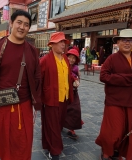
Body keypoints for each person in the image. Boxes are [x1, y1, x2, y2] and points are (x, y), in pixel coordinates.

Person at [0, 10, 41, 160]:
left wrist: (37, 101)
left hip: (23, 103)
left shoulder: (32, 51)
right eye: (19, 22)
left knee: (22, 142)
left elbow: (37, 77)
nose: (22, 27)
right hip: (0, 102)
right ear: (11, 23)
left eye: (26, 25)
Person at [95, 29, 132, 160]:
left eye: (130, 40)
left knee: (126, 131)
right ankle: (107, 151)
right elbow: (103, 76)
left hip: (131, 100)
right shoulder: (112, 58)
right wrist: (130, 79)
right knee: (114, 131)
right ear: (118, 42)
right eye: (124, 40)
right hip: (114, 100)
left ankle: (118, 152)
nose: (127, 43)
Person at [40, 32, 74, 160]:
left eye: (64, 43)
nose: (63, 45)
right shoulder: (45, 60)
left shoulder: (65, 58)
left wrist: (73, 80)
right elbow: (38, 80)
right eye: (60, 42)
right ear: (52, 44)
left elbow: (67, 74)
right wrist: (39, 98)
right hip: (51, 99)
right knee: (53, 126)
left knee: (58, 125)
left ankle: (50, 145)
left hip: (63, 97)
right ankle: (55, 151)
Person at [63, 48, 83, 139]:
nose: (71, 60)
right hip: (63, 92)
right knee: (62, 110)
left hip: (73, 92)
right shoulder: (62, 65)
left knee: (75, 109)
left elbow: (79, 77)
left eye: (73, 58)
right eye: (70, 57)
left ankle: (72, 129)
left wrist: (77, 80)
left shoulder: (76, 68)